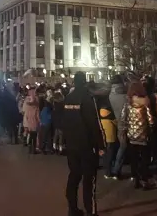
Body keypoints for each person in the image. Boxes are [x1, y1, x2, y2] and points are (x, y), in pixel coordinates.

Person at [62, 71, 106, 216]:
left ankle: (72, 208)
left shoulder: (68, 98)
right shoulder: (88, 98)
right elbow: (94, 124)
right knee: (89, 179)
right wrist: (100, 145)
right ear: (85, 81)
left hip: (72, 144)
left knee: (74, 175)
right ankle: (90, 211)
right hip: (87, 145)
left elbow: (64, 122)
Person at [120, 80, 155, 189]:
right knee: (145, 158)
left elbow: (123, 119)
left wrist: (125, 130)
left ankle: (135, 179)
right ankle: (144, 179)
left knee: (133, 158)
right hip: (143, 134)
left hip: (131, 135)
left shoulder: (127, 104)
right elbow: (150, 119)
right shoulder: (145, 103)